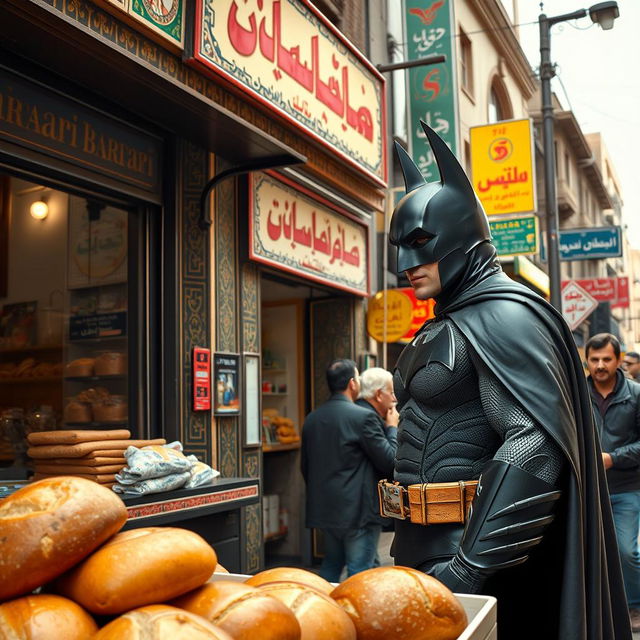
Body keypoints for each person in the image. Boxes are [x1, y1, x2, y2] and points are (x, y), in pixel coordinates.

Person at [381, 120, 630, 640]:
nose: (406, 261)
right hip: (422, 546)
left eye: (422, 241)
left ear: (461, 235)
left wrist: (468, 569)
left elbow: (533, 444)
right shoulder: (451, 320)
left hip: (482, 561)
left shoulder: (506, 317)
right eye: (401, 244)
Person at [300, 359, 396, 582]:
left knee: (333, 566)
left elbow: (306, 467)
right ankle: (352, 616)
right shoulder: (363, 417)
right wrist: (392, 428)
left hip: (326, 510)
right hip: (358, 511)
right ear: (353, 384)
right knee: (359, 574)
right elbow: (390, 460)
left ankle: (320, 609)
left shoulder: (312, 419)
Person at [585, 333, 640, 631]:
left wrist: (613, 458)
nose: (600, 365)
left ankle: (634, 605)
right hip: (587, 489)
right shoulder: (577, 393)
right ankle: (597, 605)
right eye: (595, 359)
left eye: (607, 359)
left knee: (625, 551)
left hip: (626, 487)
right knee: (590, 550)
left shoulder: (636, 394)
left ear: (619, 361)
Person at [355, 367, 400, 561]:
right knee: (362, 565)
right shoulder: (368, 417)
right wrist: (392, 428)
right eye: (391, 392)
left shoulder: (358, 411)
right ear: (379, 394)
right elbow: (389, 460)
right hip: (362, 506)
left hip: (347, 506)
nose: (394, 399)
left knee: (367, 561)